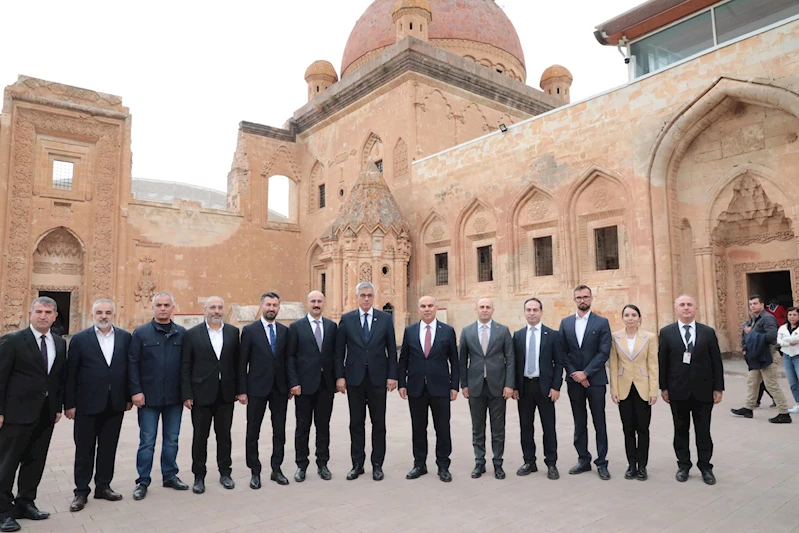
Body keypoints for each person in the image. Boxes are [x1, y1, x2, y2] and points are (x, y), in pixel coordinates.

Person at [0, 297, 67, 532]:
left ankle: (26, 503)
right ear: (30, 314)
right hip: (15, 414)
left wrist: (57, 407)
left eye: (48, 312)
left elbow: (57, 378)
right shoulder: (13, 341)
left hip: (45, 414)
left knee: (35, 461)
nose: (43, 316)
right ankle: (3, 511)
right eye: (39, 311)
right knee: (7, 464)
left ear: (55, 316)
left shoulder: (59, 343)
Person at [64, 299, 132, 512]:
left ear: (113, 315)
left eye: (108, 312)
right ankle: (81, 491)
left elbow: (129, 369)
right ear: (93, 314)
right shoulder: (80, 339)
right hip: (86, 403)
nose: (104, 316)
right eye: (100, 312)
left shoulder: (125, 337)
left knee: (108, 448)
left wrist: (128, 397)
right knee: (84, 449)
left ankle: (103, 486)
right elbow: (71, 374)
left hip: (115, 403)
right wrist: (69, 404)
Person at [335, 282, 398, 481]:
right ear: (356, 297)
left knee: (379, 424)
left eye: (369, 295)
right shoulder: (347, 319)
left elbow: (392, 349)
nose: (366, 299)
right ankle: (357, 464)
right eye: (362, 295)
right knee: (356, 423)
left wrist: (392, 375)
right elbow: (339, 351)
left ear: (373, 297)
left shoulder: (384, 319)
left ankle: (377, 464)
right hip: (355, 379)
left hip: (378, 379)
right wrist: (340, 376)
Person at [128, 292, 188, 501]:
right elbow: (133, 364)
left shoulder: (182, 333)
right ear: (153, 307)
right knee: (147, 441)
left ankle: (170, 475)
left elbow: (186, 366)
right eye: (159, 305)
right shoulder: (141, 333)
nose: (163, 308)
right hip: (148, 398)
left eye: (166, 305)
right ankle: (143, 481)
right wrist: (135, 391)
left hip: (174, 398)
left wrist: (187, 394)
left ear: (173, 308)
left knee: (171, 440)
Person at [658, 294, 724, 485]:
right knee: (680, 430)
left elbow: (716, 361)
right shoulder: (667, 332)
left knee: (703, 431)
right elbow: (663, 362)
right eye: (682, 305)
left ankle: (705, 467)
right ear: (675, 309)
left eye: (689, 304)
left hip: (703, 390)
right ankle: (683, 465)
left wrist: (718, 387)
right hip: (677, 390)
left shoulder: (707, 332)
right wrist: (663, 387)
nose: (686, 307)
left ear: (695, 309)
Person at [181, 296, 240, 494]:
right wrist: (187, 394)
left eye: (219, 307)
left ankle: (225, 473)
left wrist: (240, 390)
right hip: (201, 394)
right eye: (212, 307)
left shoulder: (233, 332)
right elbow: (186, 365)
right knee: (200, 437)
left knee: (224, 436)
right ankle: (199, 476)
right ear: (205, 309)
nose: (216, 311)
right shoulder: (192, 334)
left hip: (226, 394)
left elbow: (238, 364)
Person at [398, 296, 459, 482]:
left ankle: (443, 466)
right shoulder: (410, 331)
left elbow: (454, 361)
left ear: (436, 308)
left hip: (440, 387)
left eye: (430, 306)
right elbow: (403, 359)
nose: (427, 309)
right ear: (418, 309)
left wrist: (454, 386)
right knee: (418, 428)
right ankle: (419, 464)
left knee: (442, 428)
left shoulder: (447, 331)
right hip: (416, 388)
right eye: (423, 306)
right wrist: (402, 383)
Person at [238, 292, 293, 488]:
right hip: (256, 389)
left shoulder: (284, 331)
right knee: (253, 431)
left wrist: (290, 384)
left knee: (279, 431)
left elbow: (288, 360)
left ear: (279, 308)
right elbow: (242, 362)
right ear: (261, 306)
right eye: (268, 305)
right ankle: (255, 471)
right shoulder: (249, 331)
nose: (271, 308)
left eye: (275, 305)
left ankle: (276, 469)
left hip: (280, 389)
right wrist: (242, 390)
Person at [558, 285, 612, 480]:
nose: (583, 300)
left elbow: (604, 352)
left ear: (591, 298)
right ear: (574, 300)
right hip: (574, 382)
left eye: (586, 297)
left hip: (595, 381)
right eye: (579, 297)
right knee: (579, 421)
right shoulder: (565, 323)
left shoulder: (602, 323)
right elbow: (562, 352)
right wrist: (575, 374)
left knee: (599, 421)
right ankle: (583, 459)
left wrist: (586, 373)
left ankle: (602, 462)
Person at [459, 298, 514, 480]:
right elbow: (462, 360)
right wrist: (464, 384)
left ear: (493, 310)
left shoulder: (502, 330)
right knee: (478, 427)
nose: (484, 310)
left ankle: (498, 463)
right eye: (481, 307)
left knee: (498, 428)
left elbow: (510, 359)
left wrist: (509, 384)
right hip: (475, 386)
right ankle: (479, 462)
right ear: (476, 309)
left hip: (497, 386)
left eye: (488, 307)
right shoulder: (467, 331)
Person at [286, 291, 337, 482]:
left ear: (324, 303)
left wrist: (338, 379)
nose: (316, 304)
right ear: (307, 303)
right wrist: (294, 382)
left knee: (323, 427)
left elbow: (336, 355)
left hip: (326, 385)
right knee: (302, 427)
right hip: (303, 386)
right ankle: (301, 465)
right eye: (313, 301)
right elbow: (290, 356)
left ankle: (322, 464)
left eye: (319, 301)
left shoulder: (331, 327)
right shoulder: (296, 327)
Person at [512, 297, 562, 481]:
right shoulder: (518, 335)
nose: (531, 313)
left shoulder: (552, 335)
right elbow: (514, 363)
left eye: (535, 310)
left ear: (541, 312)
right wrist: (514, 386)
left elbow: (559, 363)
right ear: (524, 312)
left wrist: (556, 386)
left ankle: (551, 463)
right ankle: (529, 461)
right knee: (526, 426)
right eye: (528, 310)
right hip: (524, 387)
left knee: (548, 427)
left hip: (545, 388)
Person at [608, 304, 657, 481]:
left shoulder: (649, 337)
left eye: (633, 315)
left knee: (643, 428)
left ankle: (642, 466)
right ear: (622, 318)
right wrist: (614, 389)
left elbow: (653, 364)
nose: (630, 318)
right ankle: (631, 464)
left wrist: (653, 390)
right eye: (627, 315)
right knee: (627, 428)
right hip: (624, 387)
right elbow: (613, 365)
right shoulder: (615, 337)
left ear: (639, 318)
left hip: (643, 387)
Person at [731, 295, 791, 423]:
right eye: (750, 304)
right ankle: (748, 408)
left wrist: (752, 332)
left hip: (768, 356)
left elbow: (772, 336)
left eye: (755, 303)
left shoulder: (768, 318)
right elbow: (745, 335)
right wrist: (745, 347)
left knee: (771, 384)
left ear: (762, 305)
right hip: (756, 357)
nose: (752, 306)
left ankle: (784, 413)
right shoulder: (753, 319)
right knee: (752, 382)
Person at [777, 306, 799, 414]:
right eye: (790, 314)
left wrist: (785, 340)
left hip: (798, 355)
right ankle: (798, 403)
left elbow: (797, 339)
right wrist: (789, 342)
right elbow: (779, 341)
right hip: (787, 356)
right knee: (793, 382)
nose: (792, 317)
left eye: (794, 315)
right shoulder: (783, 328)